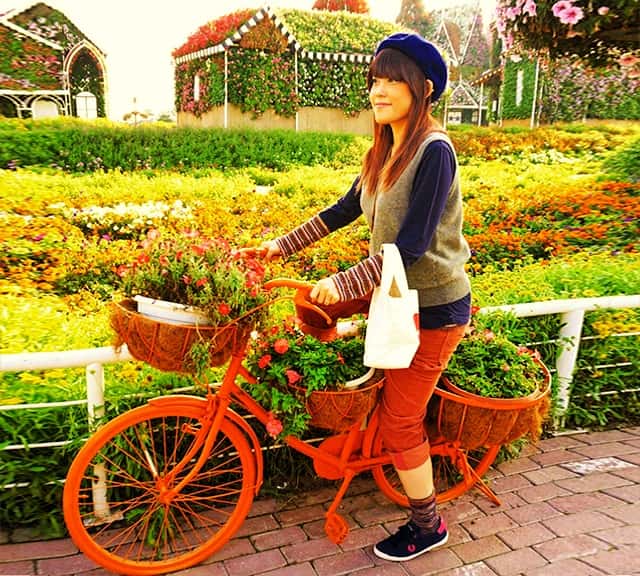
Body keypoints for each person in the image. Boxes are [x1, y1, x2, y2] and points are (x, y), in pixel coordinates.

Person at [261, 32, 471, 562]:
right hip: (394, 295)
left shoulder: (434, 150)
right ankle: (366, 416)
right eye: (375, 80)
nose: (378, 90)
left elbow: (413, 244)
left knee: (402, 419)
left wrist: (347, 281)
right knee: (312, 307)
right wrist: (275, 247)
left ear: (421, 89)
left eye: (392, 79)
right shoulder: (384, 148)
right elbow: (340, 212)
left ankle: (428, 525)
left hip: (434, 306)